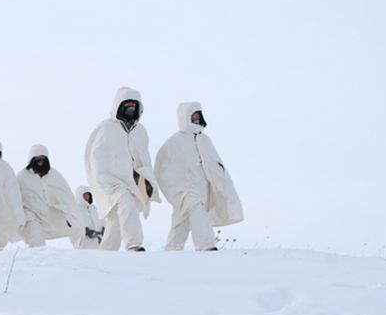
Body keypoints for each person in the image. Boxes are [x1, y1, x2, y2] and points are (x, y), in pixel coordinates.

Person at [155, 102, 243, 251]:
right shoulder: (173, 143)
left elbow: (216, 166)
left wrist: (223, 185)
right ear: (184, 117)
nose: (196, 118)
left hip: (201, 189)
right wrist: (174, 190)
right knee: (195, 208)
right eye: (192, 115)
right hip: (183, 190)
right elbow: (162, 169)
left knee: (181, 221)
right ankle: (206, 245)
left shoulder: (205, 140)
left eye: (198, 115)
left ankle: (171, 251)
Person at [84, 87, 160, 251]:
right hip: (109, 180)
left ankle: (106, 252)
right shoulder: (106, 128)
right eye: (127, 104)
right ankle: (134, 244)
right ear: (119, 105)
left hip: (129, 181)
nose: (131, 108)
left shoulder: (140, 131)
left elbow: (143, 158)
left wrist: (147, 179)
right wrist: (101, 178)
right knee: (127, 202)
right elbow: (96, 156)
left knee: (116, 218)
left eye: (134, 105)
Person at [17, 144, 83, 247]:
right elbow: (15, 197)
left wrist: (68, 212)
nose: (40, 161)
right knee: (36, 236)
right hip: (31, 214)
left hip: (50, 212)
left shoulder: (53, 174)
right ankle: (36, 258)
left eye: (43, 158)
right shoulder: (22, 177)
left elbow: (64, 194)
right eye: (37, 158)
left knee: (77, 226)